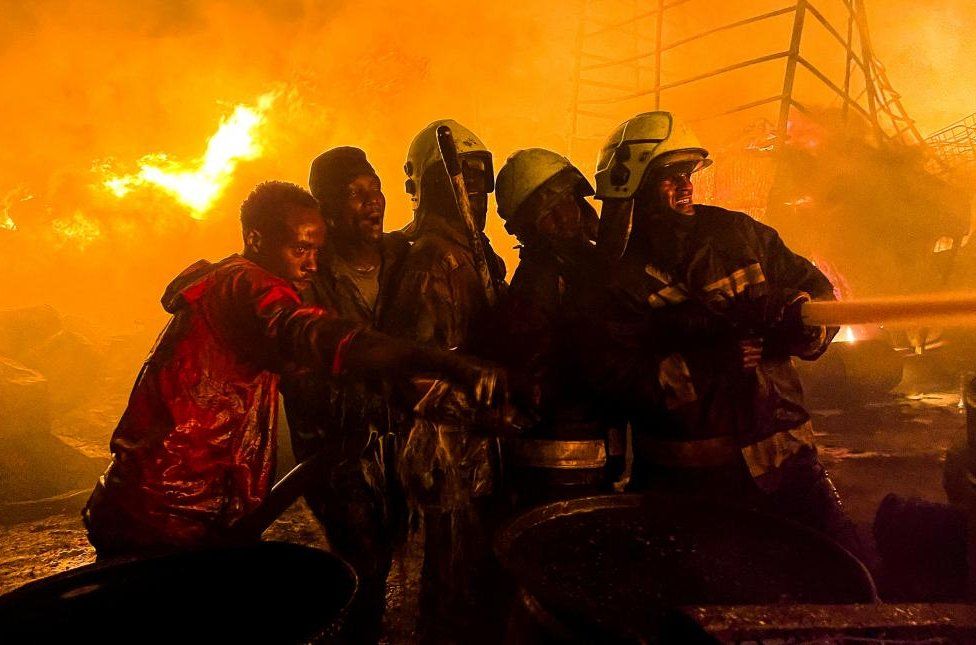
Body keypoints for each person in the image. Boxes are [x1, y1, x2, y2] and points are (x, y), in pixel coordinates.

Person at [82, 180, 502, 558]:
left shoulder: (229, 288)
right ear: (255, 238)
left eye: (317, 250)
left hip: (167, 507)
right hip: (166, 512)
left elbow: (320, 365)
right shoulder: (245, 286)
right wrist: (444, 362)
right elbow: (318, 337)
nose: (312, 264)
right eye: (300, 249)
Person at [589, 111, 856, 545]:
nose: (687, 185)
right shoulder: (618, 275)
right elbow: (611, 376)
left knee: (838, 571)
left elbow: (818, 291)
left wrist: (803, 326)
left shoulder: (739, 234)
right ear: (630, 184)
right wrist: (706, 366)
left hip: (786, 460)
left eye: (689, 172)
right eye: (670, 176)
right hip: (690, 483)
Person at [381, 119, 508, 643]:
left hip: (476, 449)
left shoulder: (473, 253)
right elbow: (415, 372)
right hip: (447, 452)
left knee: (475, 576)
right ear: (427, 188)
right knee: (453, 584)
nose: (471, 190)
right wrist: (491, 407)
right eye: (462, 178)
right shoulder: (432, 259)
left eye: (481, 179)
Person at [281, 147, 410, 643]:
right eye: (354, 195)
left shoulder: (404, 257)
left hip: (400, 437)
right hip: (336, 447)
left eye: (374, 188)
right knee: (365, 560)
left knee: (394, 546)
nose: (372, 202)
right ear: (328, 209)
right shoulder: (310, 273)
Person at [493, 148, 624, 508]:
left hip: (594, 449)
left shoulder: (586, 265)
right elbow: (533, 381)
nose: (566, 216)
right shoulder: (540, 279)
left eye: (568, 200)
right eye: (548, 212)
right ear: (527, 226)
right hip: (558, 462)